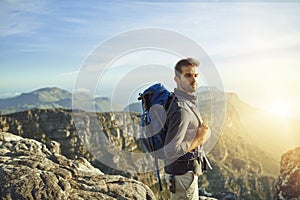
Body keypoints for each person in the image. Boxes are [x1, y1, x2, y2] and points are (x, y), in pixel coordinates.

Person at [164, 57, 211, 200]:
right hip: (183, 177)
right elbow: (171, 150)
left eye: (195, 75)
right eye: (188, 75)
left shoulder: (183, 101)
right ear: (177, 79)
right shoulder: (181, 109)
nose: (194, 79)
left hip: (181, 174)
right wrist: (200, 138)